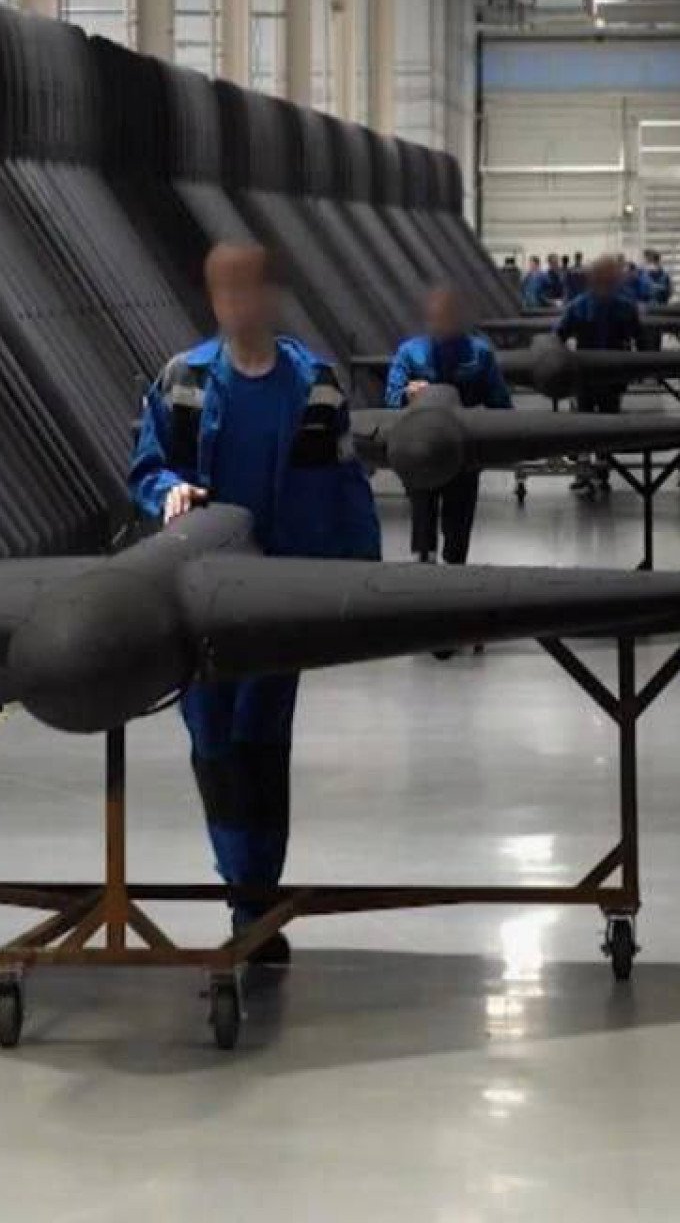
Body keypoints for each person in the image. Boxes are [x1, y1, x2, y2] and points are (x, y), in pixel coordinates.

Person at [129, 243, 382, 962]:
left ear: (273, 295)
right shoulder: (183, 381)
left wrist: (366, 588)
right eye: (223, 289)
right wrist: (166, 493)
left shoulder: (318, 387)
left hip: (279, 603)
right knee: (213, 743)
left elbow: (347, 485)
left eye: (247, 288)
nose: (235, 302)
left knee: (264, 744)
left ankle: (254, 899)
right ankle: (244, 889)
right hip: (200, 602)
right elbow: (147, 466)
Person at [384, 286, 512, 568]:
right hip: (420, 449)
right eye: (437, 316)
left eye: (448, 315)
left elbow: (500, 403)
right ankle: (425, 556)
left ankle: (454, 566)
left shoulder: (479, 354)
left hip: (464, 452)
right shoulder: (410, 353)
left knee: (458, 529)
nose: (442, 322)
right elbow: (391, 396)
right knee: (423, 519)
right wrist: (406, 394)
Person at [554, 255, 643, 490]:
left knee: (584, 422)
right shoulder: (625, 307)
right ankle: (602, 469)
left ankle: (586, 472)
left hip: (587, 374)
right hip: (612, 375)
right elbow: (640, 339)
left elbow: (558, 336)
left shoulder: (579, 305)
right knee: (607, 422)